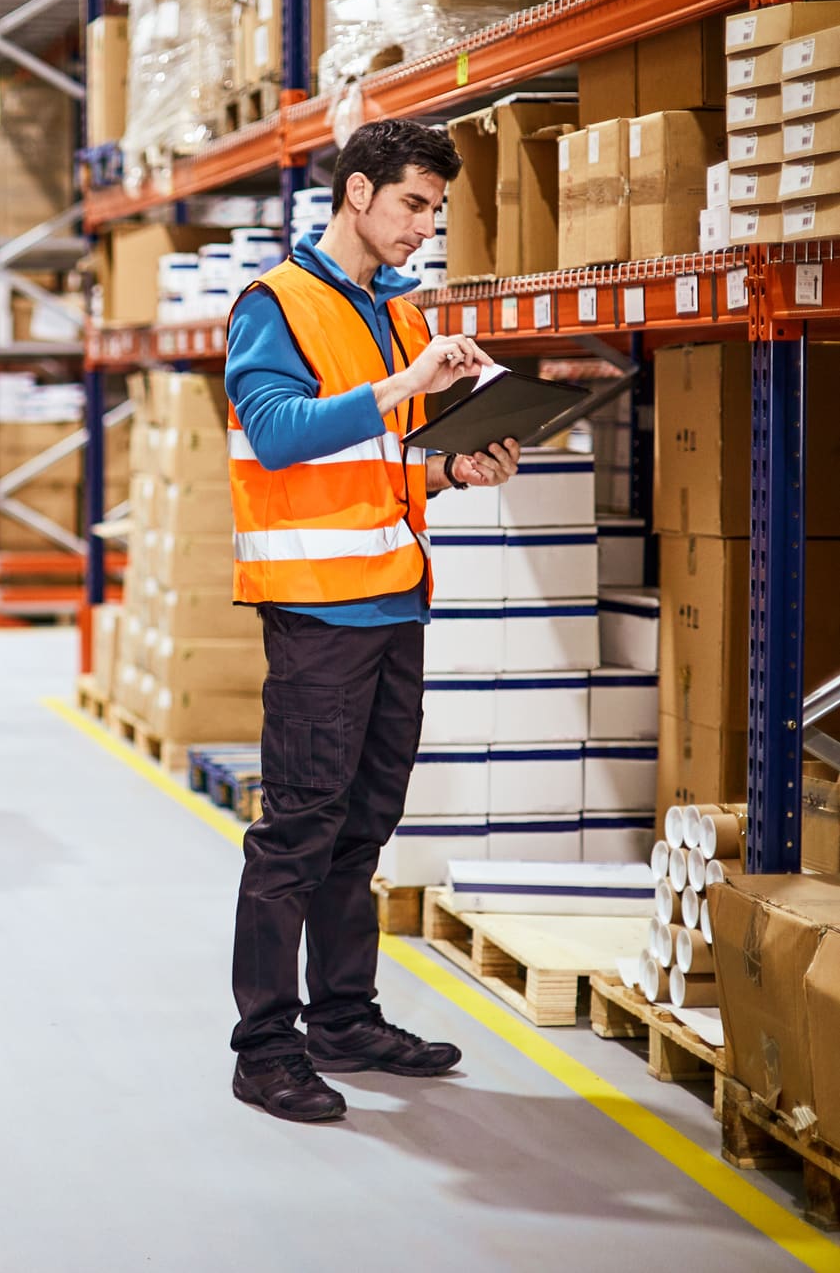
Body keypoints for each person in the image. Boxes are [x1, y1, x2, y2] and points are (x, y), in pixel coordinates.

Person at [223, 118, 523, 1124]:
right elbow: (276, 435)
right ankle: (264, 1043)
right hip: (317, 611)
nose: (424, 229)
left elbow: (382, 466)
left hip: (396, 600)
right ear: (356, 192)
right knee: (297, 829)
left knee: (364, 823)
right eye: (412, 204)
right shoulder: (277, 304)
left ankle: (343, 1015)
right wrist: (404, 387)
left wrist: (453, 465)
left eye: (435, 210)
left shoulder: (398, 314)